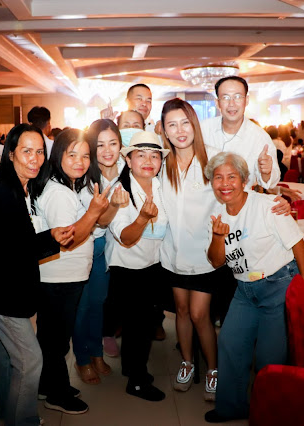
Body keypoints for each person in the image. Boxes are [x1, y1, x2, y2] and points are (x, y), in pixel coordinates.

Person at [0, 123, 75, 426]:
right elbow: (15, 251)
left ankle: (9, 415)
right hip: (3, 290)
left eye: (40, 152)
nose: (35, 159)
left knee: (7, 357)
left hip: (2, 285)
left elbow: (15, 242)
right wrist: (51, 238)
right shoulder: (5, 193)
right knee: (30, 360)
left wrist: (49, 236)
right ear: (10, 154)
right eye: (27, 151)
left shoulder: (18, 187)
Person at [204, 152, 304, 423]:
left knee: (268, 358)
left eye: (232, 177)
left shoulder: (267, 205)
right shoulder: (216, 214)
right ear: (212, 182)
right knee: (229, 342)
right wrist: (217, 237)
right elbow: (216, 261)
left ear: (244, 181)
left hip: (278, 285)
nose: (225, 183)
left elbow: (297, 243)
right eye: (218, 177)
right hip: (245, 289)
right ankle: (232, 407)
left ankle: (268, 415)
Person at [33, 128, 110, 415]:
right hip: (59, 276)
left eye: (85, 156)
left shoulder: (66, 187)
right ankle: (58, 394)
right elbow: (68, 239)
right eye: (72, 154)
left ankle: (46, 385)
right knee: (57, 341)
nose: (80, 162)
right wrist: (93, 212)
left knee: (51, 337)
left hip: (60, 275)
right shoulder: (59, 192)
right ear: (58, 156)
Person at [159, 99, 221, 401]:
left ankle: (213, 369)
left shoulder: (212, 159)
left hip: (205, 253)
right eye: (172, 125)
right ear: (164, 131)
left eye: (185, 122)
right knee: (181, 311)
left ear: (194, 124)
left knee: (199, 314)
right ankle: (187, 362)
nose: (180, 130)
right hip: (173, 252)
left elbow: (237, 191)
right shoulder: (162, 165)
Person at [106, 131, 170, 402]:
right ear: (129, 160)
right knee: (137, 326)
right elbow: (126, 237)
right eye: (141, 155)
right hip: (129, 268)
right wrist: (142, 218)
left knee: (142, 324)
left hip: (153, 264)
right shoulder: (120, 191)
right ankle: (137, 382)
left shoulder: (161, 186)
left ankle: (132, 368)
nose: (148, 161)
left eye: (154, 156)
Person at [72, 119, 128, 385]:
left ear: (120, 145)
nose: (107, 151)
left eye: (113, 143)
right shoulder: (85, 176)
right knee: (82, 308)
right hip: (86, 246)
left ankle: (96, 353)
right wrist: (114, 205)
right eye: (100, 145)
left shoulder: (126, 170)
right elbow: (100, 220)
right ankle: (82, 358)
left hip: (108, 248)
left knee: (98, 304)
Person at [200, 76, 280, 190]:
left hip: (239, 200)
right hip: (204, 198)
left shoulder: (260, 137)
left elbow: (271, 183)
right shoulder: (203, 129)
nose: (231, 104)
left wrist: (266, 172)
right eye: (225, 97)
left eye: (237, 97)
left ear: (246, 100)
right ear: (217, 103)